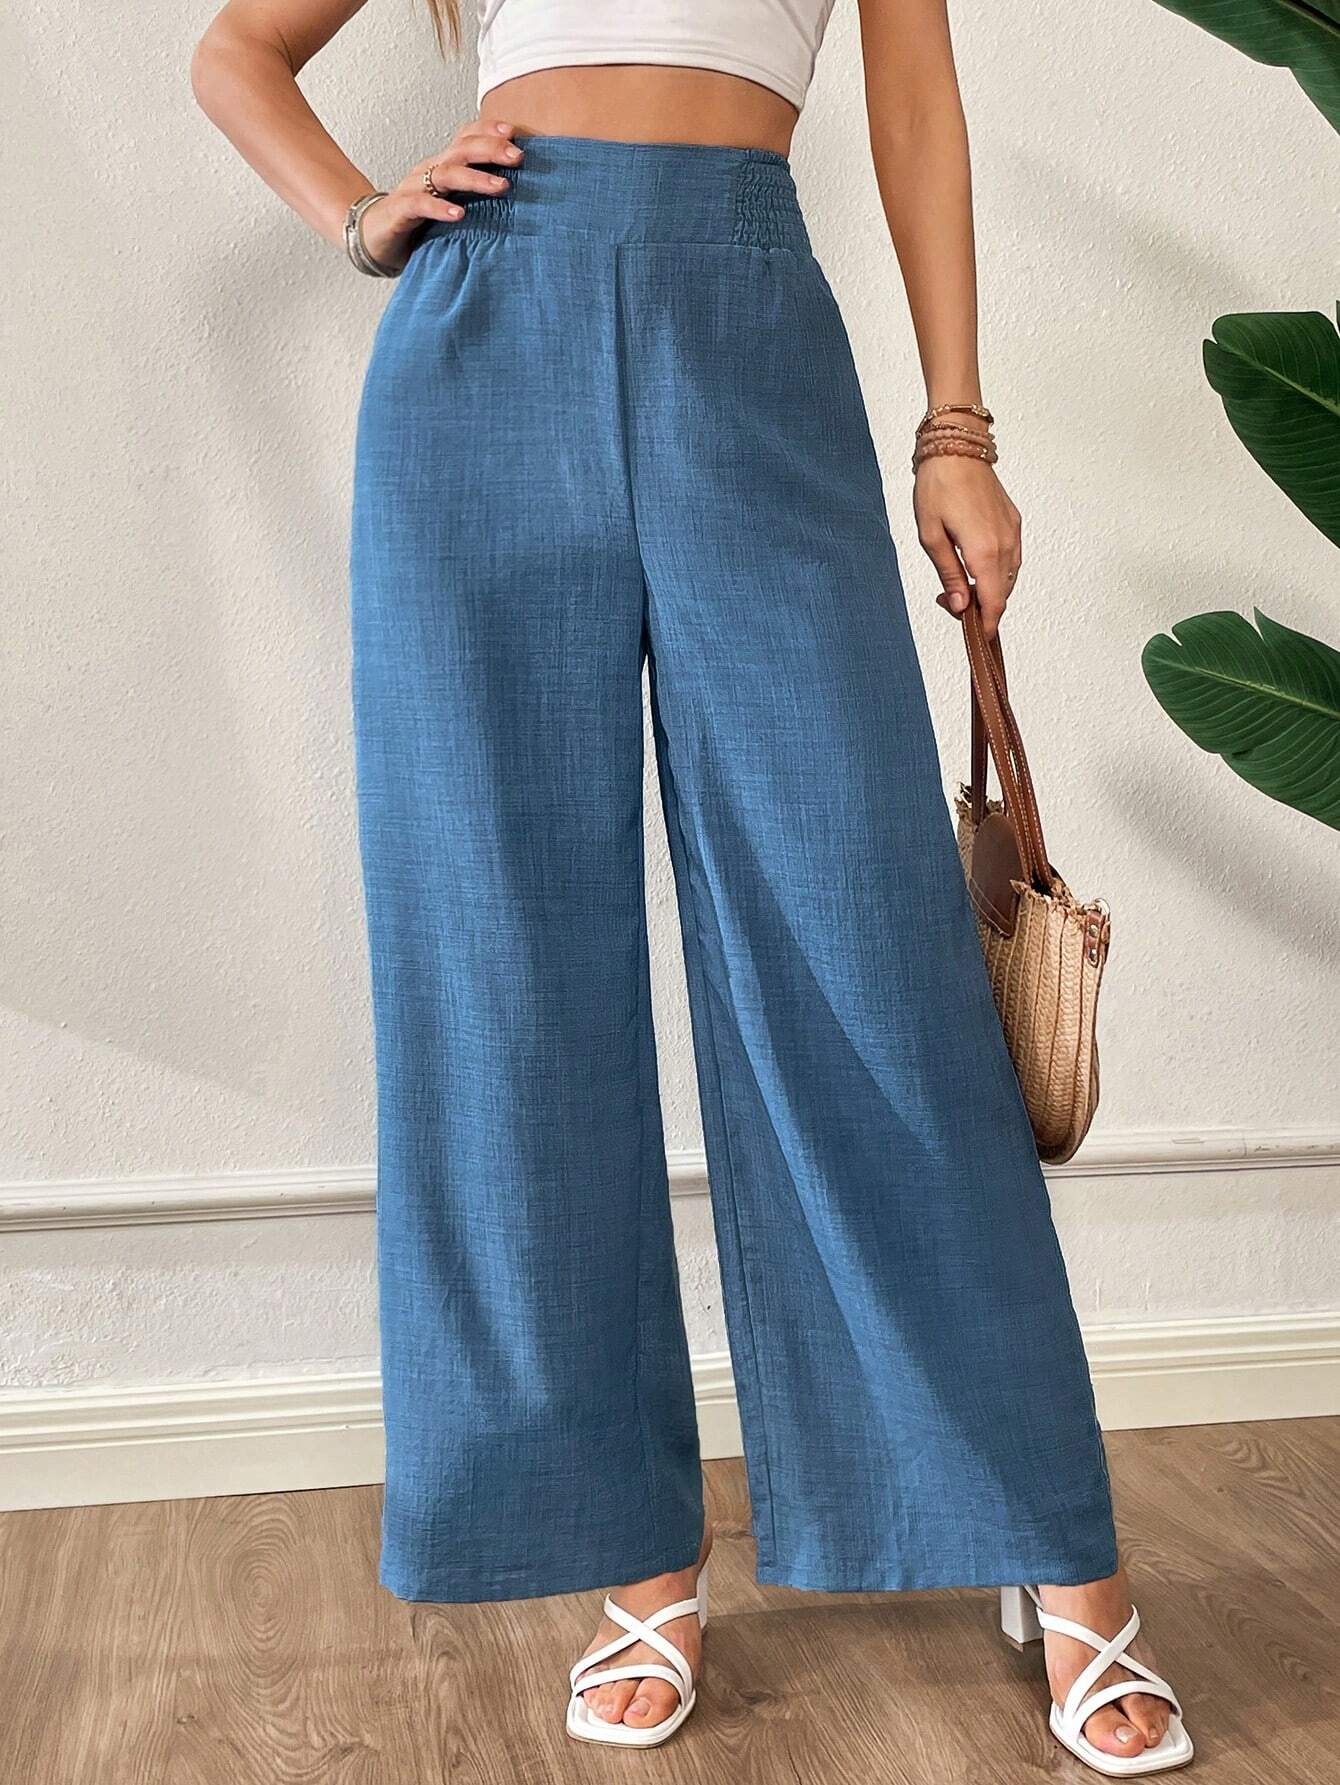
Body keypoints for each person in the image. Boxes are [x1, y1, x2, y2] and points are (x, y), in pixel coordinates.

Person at [191, 0, 1192, 1772]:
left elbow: (915, 98)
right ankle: (633, 1560)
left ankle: (1049, 1537)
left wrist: (955, 428)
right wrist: (361, 214)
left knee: (872, 954)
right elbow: (233, 53)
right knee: (500, 967)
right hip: (481, 341)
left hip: (747, 321)